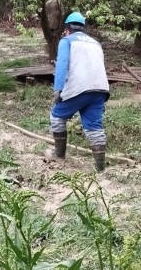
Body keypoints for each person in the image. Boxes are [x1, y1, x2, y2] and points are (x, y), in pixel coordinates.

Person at [46, 12, 111, 172]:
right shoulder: (96, 43)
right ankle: (100, 169)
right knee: (94, 127)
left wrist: (58, 89)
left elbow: (61, 65)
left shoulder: (66, 41)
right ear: (82, 28)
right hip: (100, 88)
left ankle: (59, 155)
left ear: (67, 29)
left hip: (79, 88)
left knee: (57, 117)